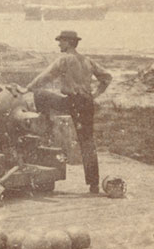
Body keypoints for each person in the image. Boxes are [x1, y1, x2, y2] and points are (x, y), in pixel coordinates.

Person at [25, 30, 112, 194]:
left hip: (73, 102)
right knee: (87, 142)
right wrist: (95, 94)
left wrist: (28, 88)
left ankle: (46, 121)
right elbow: (107, 77)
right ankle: (93, 184)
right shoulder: (87, 60)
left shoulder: (64, 60)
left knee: (39, 94)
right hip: (86, 103)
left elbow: (46, 76)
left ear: (68, 43)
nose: (59, 44)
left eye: (61, 41)